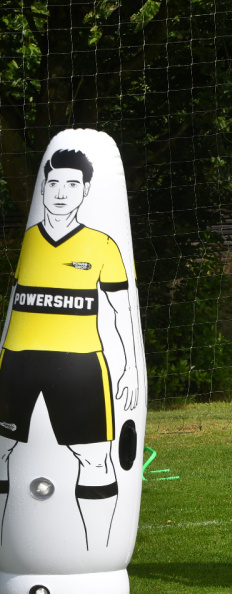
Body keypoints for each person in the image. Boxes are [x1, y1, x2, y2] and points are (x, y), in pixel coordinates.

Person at [0, 148, 140, 550]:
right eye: (54, 183)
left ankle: (98, 553)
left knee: (95, 457)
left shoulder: (102, 244)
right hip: (18, 363)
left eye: (72, 184)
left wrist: (129, 368)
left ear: (86, 190)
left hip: (81, 366)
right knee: (2, 452)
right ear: (43, 188)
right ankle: (7, 550)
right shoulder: (29, 240)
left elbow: (122, 310)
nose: (61, 192)